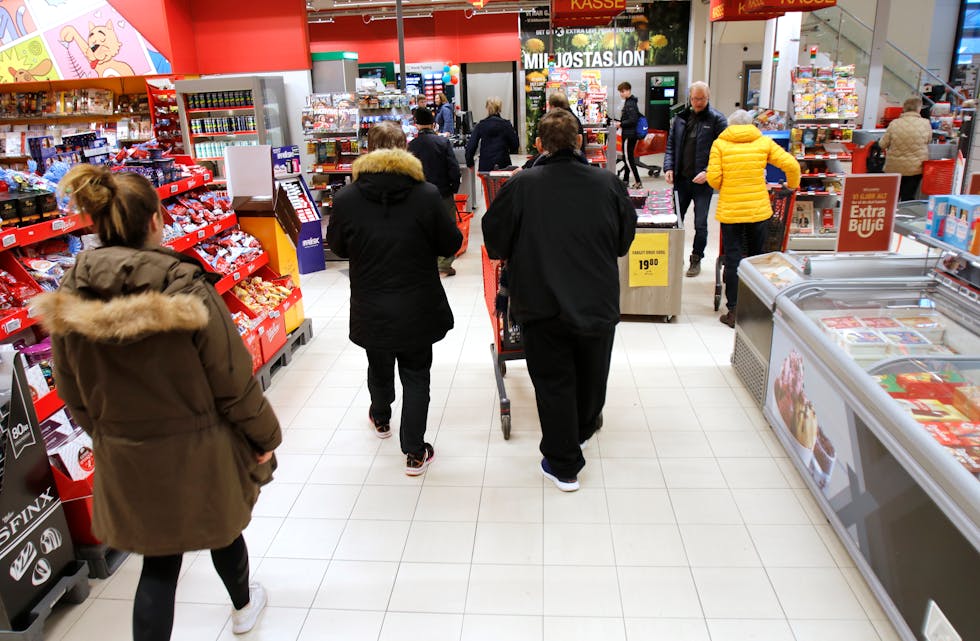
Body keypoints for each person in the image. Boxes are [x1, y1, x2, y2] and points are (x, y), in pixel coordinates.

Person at [34, 165, 281, 640]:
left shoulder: (69, 295)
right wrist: (264, 436)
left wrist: (108, 433)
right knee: (223, 529)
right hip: (201, 447)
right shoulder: (185, 286)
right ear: (155, 219)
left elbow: (70, 390)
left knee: (158, 563)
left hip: (126, 452)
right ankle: (243, 608)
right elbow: (231, 377)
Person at [482, 109, 636, 492]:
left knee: (553, 381)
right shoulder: (606, 184)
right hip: (596, 297)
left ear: (539, 145)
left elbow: (495, 240)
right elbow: (623, 240)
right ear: (580, 141)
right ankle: (581, 430)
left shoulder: (522, 186)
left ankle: (564, 464)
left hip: (541, 300)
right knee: (592, 371)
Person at [326, 121, 462, 475]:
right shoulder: (427, 194)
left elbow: (338, 247)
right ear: (405, 149)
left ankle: (381, 417)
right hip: (418, 303)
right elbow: (451, 243)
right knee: (417, 374)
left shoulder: (347, 198)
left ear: (369, 150)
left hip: (371, 302)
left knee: (379, 362)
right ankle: (415, 452)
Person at [707, 109, 801, 328]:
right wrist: (792, 186)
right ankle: (757, 307)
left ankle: (733, 310)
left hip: (731, 211)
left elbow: (713, 178)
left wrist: (727, 186)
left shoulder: (720, 144)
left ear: (730, 125)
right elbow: (792, 165)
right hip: (758, 210)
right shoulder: (763, 142)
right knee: (757, 258)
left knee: (733, 258)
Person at [664, 81, 728, 277]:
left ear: (708, 97)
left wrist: (709, 172)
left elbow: (724, 151)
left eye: (702, 98)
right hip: (681, 181)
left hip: (703, 183)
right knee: (675, 221)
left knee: (700, 223)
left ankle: (696, 257)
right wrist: (668, 167)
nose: (698, 102)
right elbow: (670, 146)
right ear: (689, 98)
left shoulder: (717, 120)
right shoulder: (680, 119)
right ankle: (674, 256)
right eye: (694, 98)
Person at [409, 106, 462, 276]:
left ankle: (426, 263)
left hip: (419, 195)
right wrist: (454, 187)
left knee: (424, 228)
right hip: (443, 192)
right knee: (447, 227)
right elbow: (453, 168)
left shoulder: (412, 146)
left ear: (416, 124)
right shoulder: (443, 142)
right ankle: (444, 264)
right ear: (433, 123)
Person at [880, 96, 933, 201]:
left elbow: (882, 144)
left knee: (893, 196)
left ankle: (893, 215)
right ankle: (906, 215)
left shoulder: (894, 123)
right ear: (919, 108)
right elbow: (928, 140)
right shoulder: (925, 123)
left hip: (894, 167)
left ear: (904, 108)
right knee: (908, 197)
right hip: (915, 168)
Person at [465, 96, 519, 172]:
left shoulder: (481, 125)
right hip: (503, 164)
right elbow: (515, 144)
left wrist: (470, 163)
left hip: (485, 165)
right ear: (500, 108)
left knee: (487, 184)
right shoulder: (506, 125)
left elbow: (471, 146)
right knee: (503, 184)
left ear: (487, 107)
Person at [617, 81, 643, 189]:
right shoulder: (629, 102)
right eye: (620, 92)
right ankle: (626, 180)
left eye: (623, 91)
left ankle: (638, 181)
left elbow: (633, 120)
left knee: (628, 158)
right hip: (629, 133)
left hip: (629, 134)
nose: (621, 94)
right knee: (626, 157)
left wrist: (621, 124)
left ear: (628, 90)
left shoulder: (630, 103)